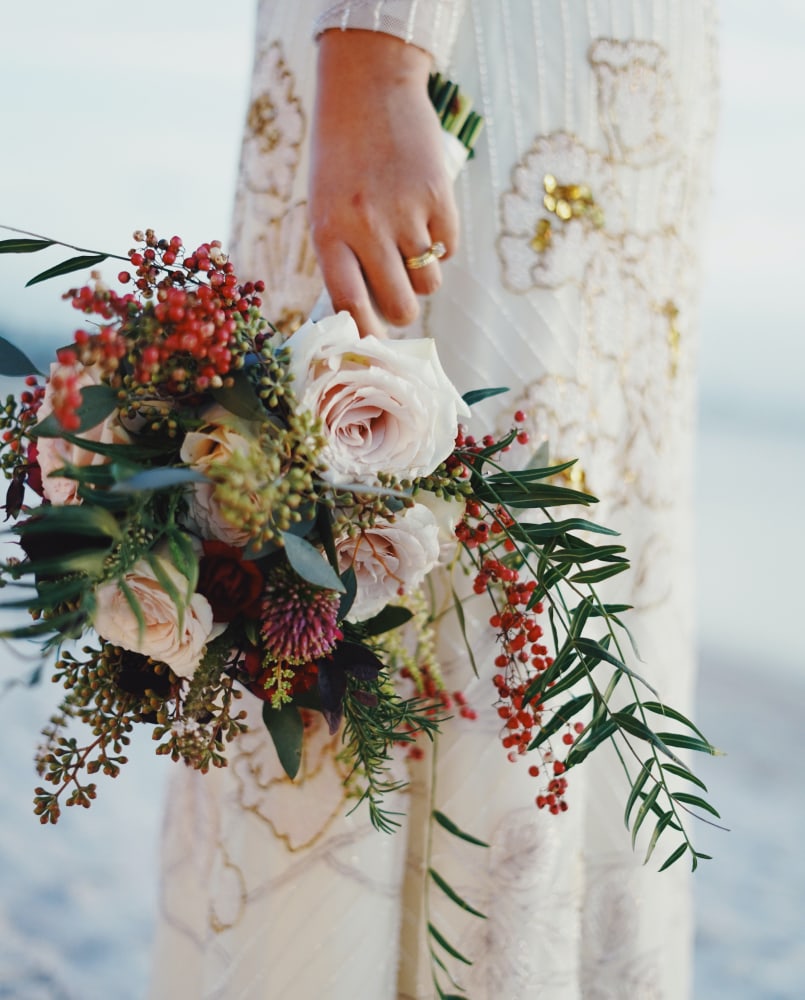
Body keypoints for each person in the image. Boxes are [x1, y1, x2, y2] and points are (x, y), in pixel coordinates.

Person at [149, 3, 720, 997]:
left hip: (573, 75)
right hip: (484, 52)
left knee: (543, 530)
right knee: (389, 503)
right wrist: (379, 44)